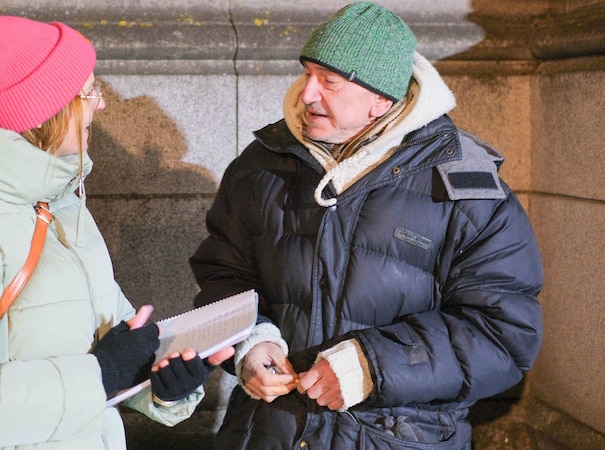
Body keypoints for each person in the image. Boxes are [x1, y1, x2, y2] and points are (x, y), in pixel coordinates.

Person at [189, 2, 544, 448]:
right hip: (268, 432)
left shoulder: (465, 188)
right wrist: (250, 344)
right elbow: (224, 275)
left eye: (330, 82)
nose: (306, 94)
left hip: (396, 436)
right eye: (307, 74)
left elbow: (503, 334)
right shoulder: (261, 165)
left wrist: (372, 367)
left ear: (381, 99)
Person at [0, 6, 230, 449]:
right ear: (49, 112)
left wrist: (160, 380)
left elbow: (108, 347)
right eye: (90, 91)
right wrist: (104, 373)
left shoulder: (60, 203)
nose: (101, 104)